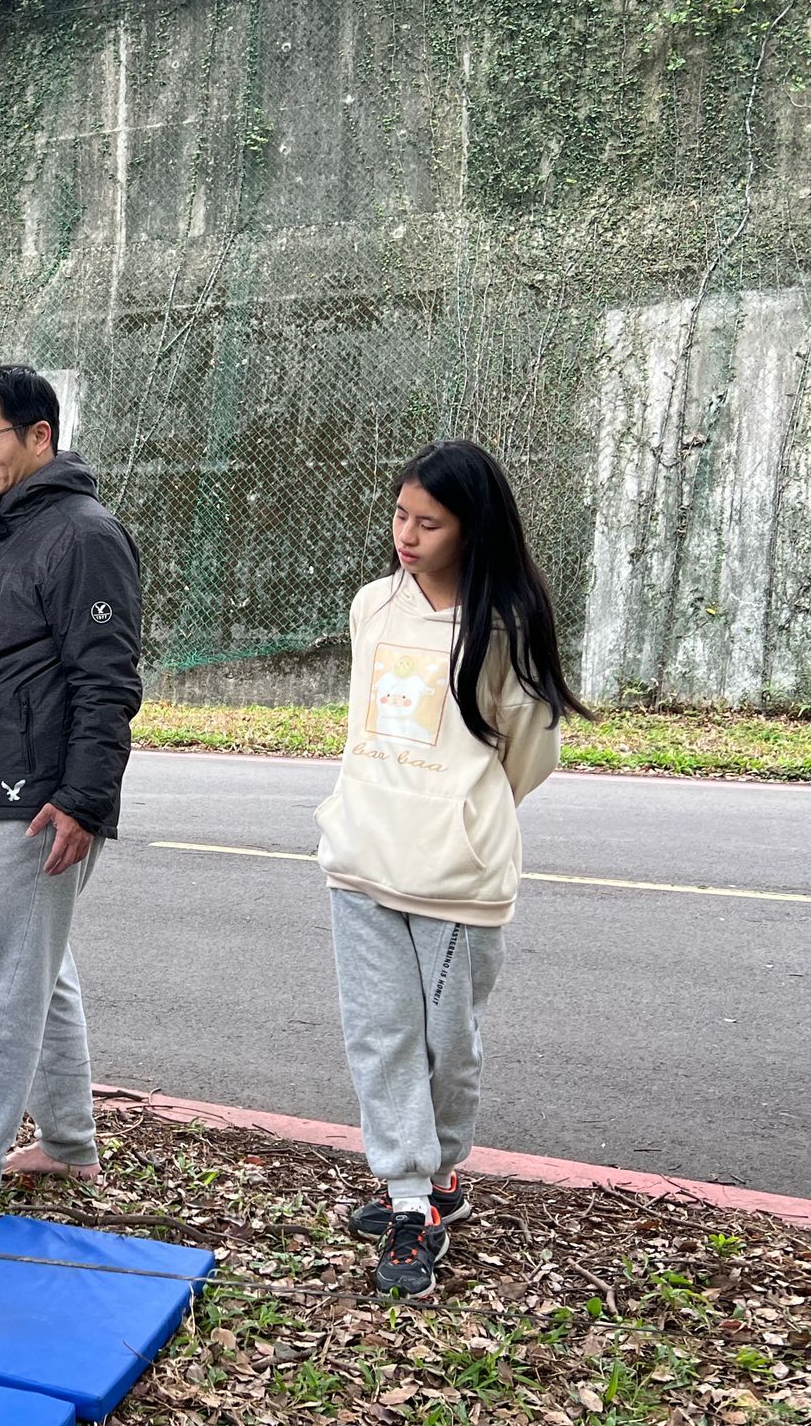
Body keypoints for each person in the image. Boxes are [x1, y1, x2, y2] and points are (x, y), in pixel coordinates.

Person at [315, 439, 591, 1297]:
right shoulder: (372, 607)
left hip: (456, 878)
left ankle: (439, 1177)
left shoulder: (505, 627)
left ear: (471, 530)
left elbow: (527, 756)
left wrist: (461, 812)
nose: (406, 533)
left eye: (428, 523)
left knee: (447, 1042)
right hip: (362, 856)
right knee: (380, 1035)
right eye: (400, 515)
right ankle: (408, 1198)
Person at [0, 364, 144, 1208]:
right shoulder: (17, 531)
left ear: (39, 436)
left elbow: (108, 680)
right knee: (41, 970)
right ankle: (70, 1142)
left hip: (37, 798)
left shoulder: (81, 535)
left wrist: (83, 800)